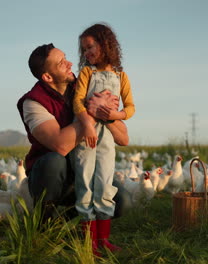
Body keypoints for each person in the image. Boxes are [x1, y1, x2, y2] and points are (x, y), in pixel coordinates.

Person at [16, 44, 131, 226]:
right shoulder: (33, 102)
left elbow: (123, 139)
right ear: (47, 76)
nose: (70, 64)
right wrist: (93, 112)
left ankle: (72, 226)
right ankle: (43, 222)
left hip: (84, 168)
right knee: (54, 161)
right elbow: (60, 145)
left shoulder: (84, 86)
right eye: (61, 63)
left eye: (66, 58)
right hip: (52, 178)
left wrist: (106, 113)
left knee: (122, 201)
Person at [72, 23, 135, 253]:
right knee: (86, 184)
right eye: (84, 50)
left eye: (90, 47)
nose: (87, 53)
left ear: (105, 44)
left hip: (107, 137)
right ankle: (90, 244)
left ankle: (103, 240)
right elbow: (78, 101)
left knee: (105, 183)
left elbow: (130, 107)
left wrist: (115, 115)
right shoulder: (87, 73)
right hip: (86, 137)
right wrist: (87, 125)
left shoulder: (122, 76)